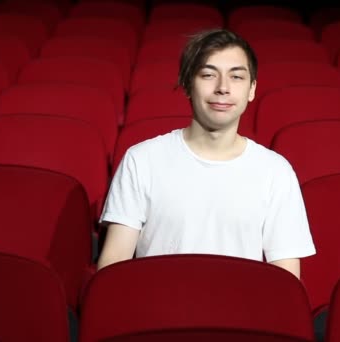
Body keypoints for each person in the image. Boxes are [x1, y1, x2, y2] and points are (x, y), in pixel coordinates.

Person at [97, 29, 315, 279]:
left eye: (236, 77)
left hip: (241, 315)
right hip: (158, 312)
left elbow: (285, 279)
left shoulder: (276, 171)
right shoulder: (141, 160)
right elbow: (113, 266)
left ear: (252, 89)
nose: (223, 88)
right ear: (188, 84)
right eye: (209, 75)